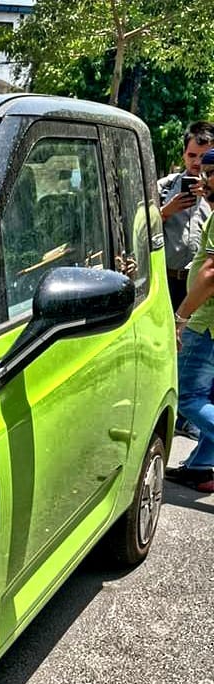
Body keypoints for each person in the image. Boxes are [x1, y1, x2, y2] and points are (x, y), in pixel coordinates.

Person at [167, 147, 214, 491]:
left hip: (205, 322)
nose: (206, 179)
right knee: (206, 398)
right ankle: (201, 468)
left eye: (211, 173)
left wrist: (181, 317)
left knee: (187, 398)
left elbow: (210, 275)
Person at [158, 120, 214, 310]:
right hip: (167, 282)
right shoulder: (163, 188)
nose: (197, 162)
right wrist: (165, 212)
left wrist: (209, 198)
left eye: (204, 156)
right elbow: (139, 231)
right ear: (183, 155)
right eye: (191, 155)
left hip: (204, 287)